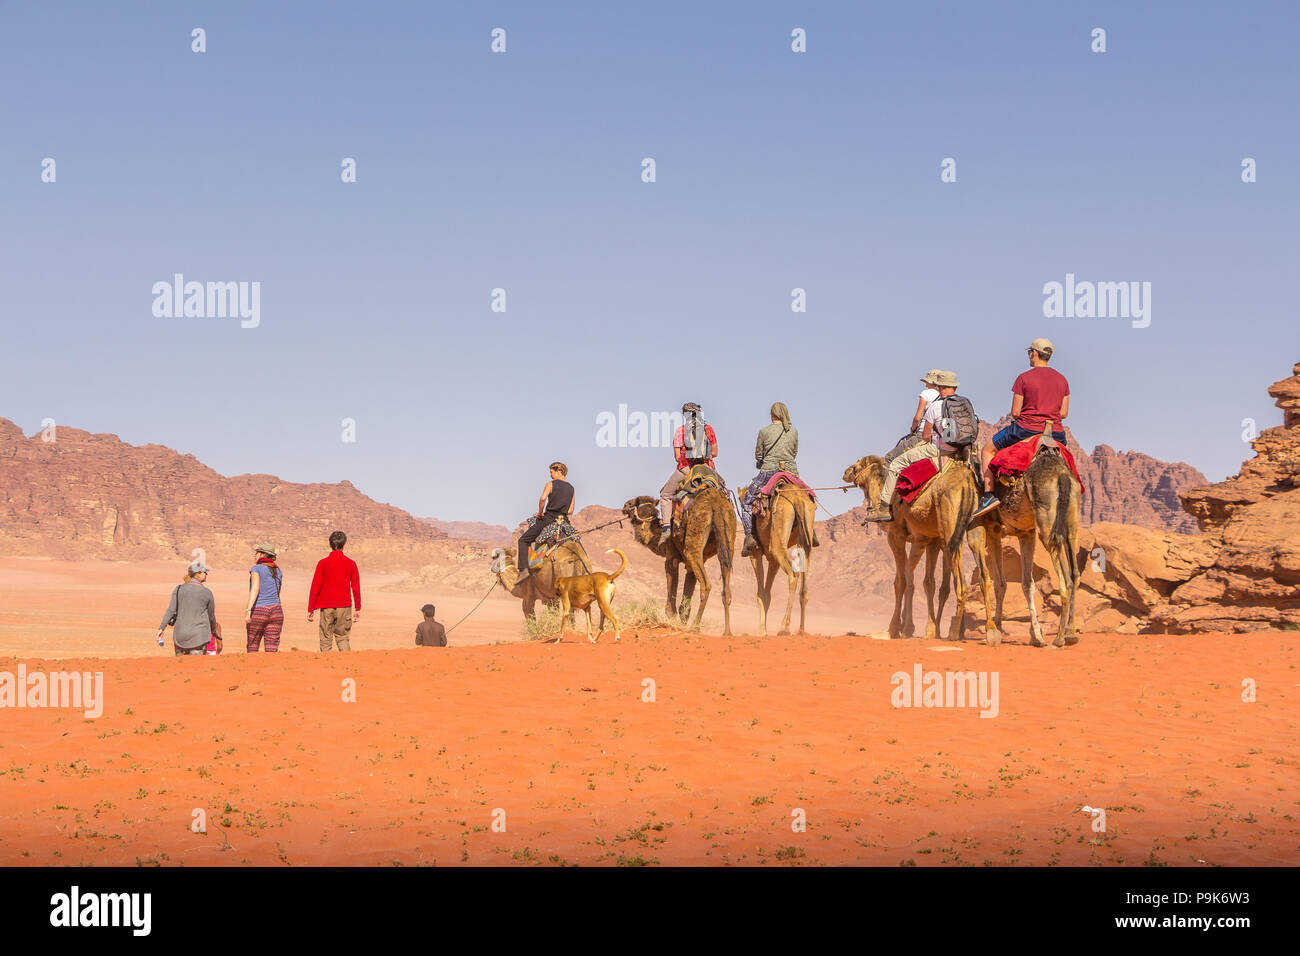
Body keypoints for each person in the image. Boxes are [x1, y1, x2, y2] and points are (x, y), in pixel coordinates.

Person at [974, 338, 1071, 518]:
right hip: (1055, 433)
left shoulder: (1024, 378)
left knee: (987, 450)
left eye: (1029, 352)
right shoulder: (1062, 380)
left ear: (1034, 353)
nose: (1029, 355)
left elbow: (1016, 412)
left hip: (1026, 429)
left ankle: (988, 496)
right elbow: (1063, 413)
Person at [863, 370, 961, 522]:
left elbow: (925, 433)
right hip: (959, 448)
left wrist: (914, 430)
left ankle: (884, 507)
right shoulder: (963, 403)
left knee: (894, 462)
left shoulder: (934, 403)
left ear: (939, 386)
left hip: (938, 447)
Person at [741, 402, 800, 557]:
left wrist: (762, 461)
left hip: (768, 473)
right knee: (807, 496)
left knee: (747, 501)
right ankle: (809, 531)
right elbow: (794, 453)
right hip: (791, 473)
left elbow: (758, 455)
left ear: (772, 415)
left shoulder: (764, 431)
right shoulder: (793, 431)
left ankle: (749, 537)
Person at [658, 402, 719, 545]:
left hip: (686, 469)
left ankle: (666, 527)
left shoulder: (680, 431)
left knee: (665, 495)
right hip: (707, 468)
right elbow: (715, 453)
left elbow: (677, 457)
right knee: (722, 492)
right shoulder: (708, 429)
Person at [516, 462, 575, 576]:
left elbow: (543, 499)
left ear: (559, 471)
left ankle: (522, 571)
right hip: (564, 523)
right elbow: (571, 510)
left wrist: (540, 512)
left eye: (551, 472)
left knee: (522, 540)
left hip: (549, 519)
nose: (550, 475)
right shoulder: (571, 488)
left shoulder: (551, 484)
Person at [308, 530, 362, 652]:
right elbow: (356, 588)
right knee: (343, 638)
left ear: (330, 544)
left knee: (325, 638)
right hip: (344, 607)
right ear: (344, 544)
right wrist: (357, 608)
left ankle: (327, 667)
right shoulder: (351, 563)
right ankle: (346, 667)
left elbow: (315, 587)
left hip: (326, 607)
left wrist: (311, 608)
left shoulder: (323, 563)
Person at [156, 559, 218, 656]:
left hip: (180, 637)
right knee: (195, 667)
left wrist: (161, 628)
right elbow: (211, 616)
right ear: (197, 574)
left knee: (181, 666)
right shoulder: (207, 593)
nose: (206, 574)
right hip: (199, 637)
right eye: (204, 572)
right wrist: (214, 631)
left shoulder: (178, 589)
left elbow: (171, 610)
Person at [884, 370, 942, 463]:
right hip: (937, 437)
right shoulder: (943, 396)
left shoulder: (926, 393)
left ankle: (893, 477)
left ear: (931, 382)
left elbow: (917, 418)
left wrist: (913, 429)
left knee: (889, 457)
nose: (925, 384)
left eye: (927, 382)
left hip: (922, 434)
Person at [245, 542, 285, 653]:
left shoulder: (256, 568)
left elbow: (255, 589)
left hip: (259, 610)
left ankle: (252, 669)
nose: (254, 555)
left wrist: (248, 610)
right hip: (277, 611)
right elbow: (278, 592)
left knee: (252, 646)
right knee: (272, 649)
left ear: (263, 554)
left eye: (257, 553)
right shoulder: (278, 570)